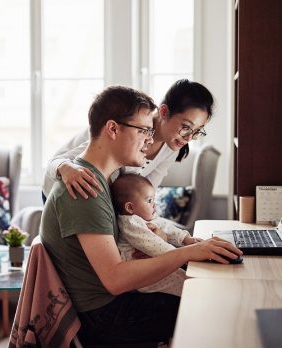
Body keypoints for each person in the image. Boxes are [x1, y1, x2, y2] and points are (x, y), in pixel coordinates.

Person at [39, 85, 242, 345]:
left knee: (203, 295)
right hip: (102, 314)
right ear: (113, 129)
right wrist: (185, 253)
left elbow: (145, 206)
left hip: (107, 300)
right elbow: (115, 279)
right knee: (206, 309)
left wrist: (176, 240)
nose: (149, 140)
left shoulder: (111, 183)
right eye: (144, 131)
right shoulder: (85, 185)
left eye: (149, 131)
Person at [42, 78, 215, 202]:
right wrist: (65, 168)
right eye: (186, 126)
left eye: (197, 131)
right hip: (58, 186)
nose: (189, 138)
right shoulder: (127, 126)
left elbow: (146, 191)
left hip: (97, 194)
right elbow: (56, 162)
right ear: (163, 112)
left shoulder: (171, 147)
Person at [111, 173, 202, 297]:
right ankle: (194, 297)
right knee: (184, 281)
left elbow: (165, 227)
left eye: (154, 199)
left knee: (189, 275)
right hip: (141, 274)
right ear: (130, 208)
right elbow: (155, 247)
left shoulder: (147, 217)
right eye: (149, 200)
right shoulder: (130, 222)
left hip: (155, 261)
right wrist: (185, 256)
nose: (154, 204)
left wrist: (186, 239)